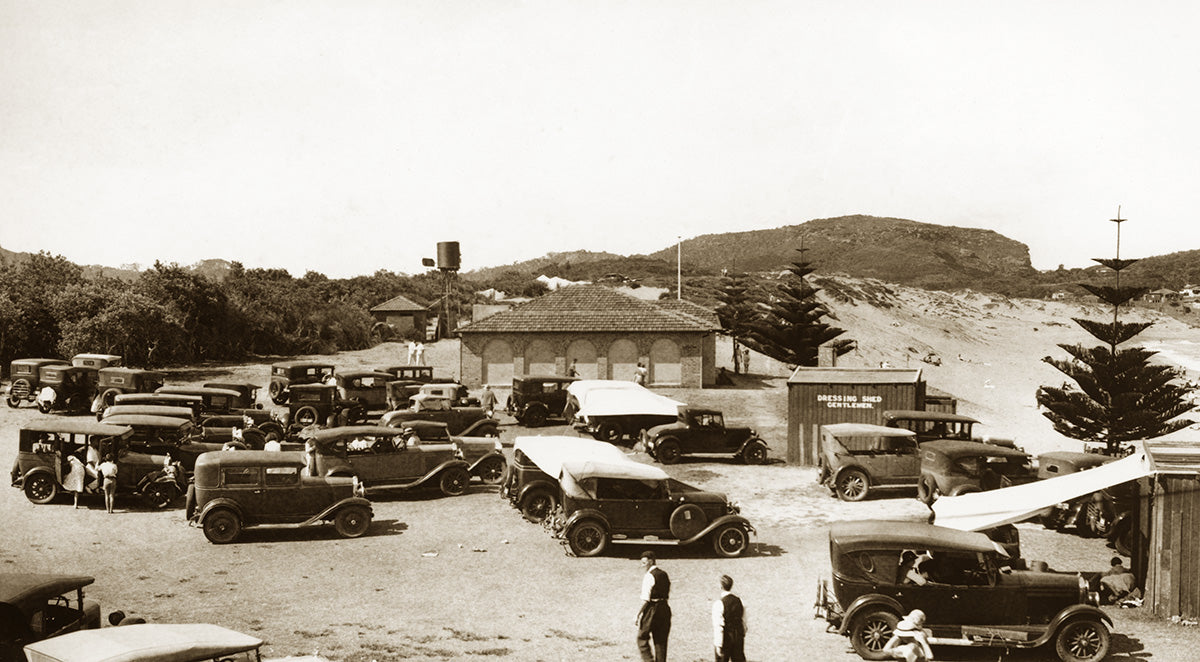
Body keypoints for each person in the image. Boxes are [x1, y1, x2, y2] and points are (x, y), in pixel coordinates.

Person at [636, 551, 670, 662]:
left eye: (644, 563)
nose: (642, 565)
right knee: (661, 641)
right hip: (665, 608)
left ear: (650, 562)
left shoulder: (649, 576)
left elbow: (645, 599)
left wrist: (637, 614)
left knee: (642, 637)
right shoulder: (664, 574)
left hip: (652, 608)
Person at [712, 574, 747, 662]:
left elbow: (718, 625)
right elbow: (744, 621)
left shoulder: (719, 604)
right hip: (738, 636)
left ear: (721, 586)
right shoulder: (740, 601)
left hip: (726, 638)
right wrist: (741, 634)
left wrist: (718, 644)